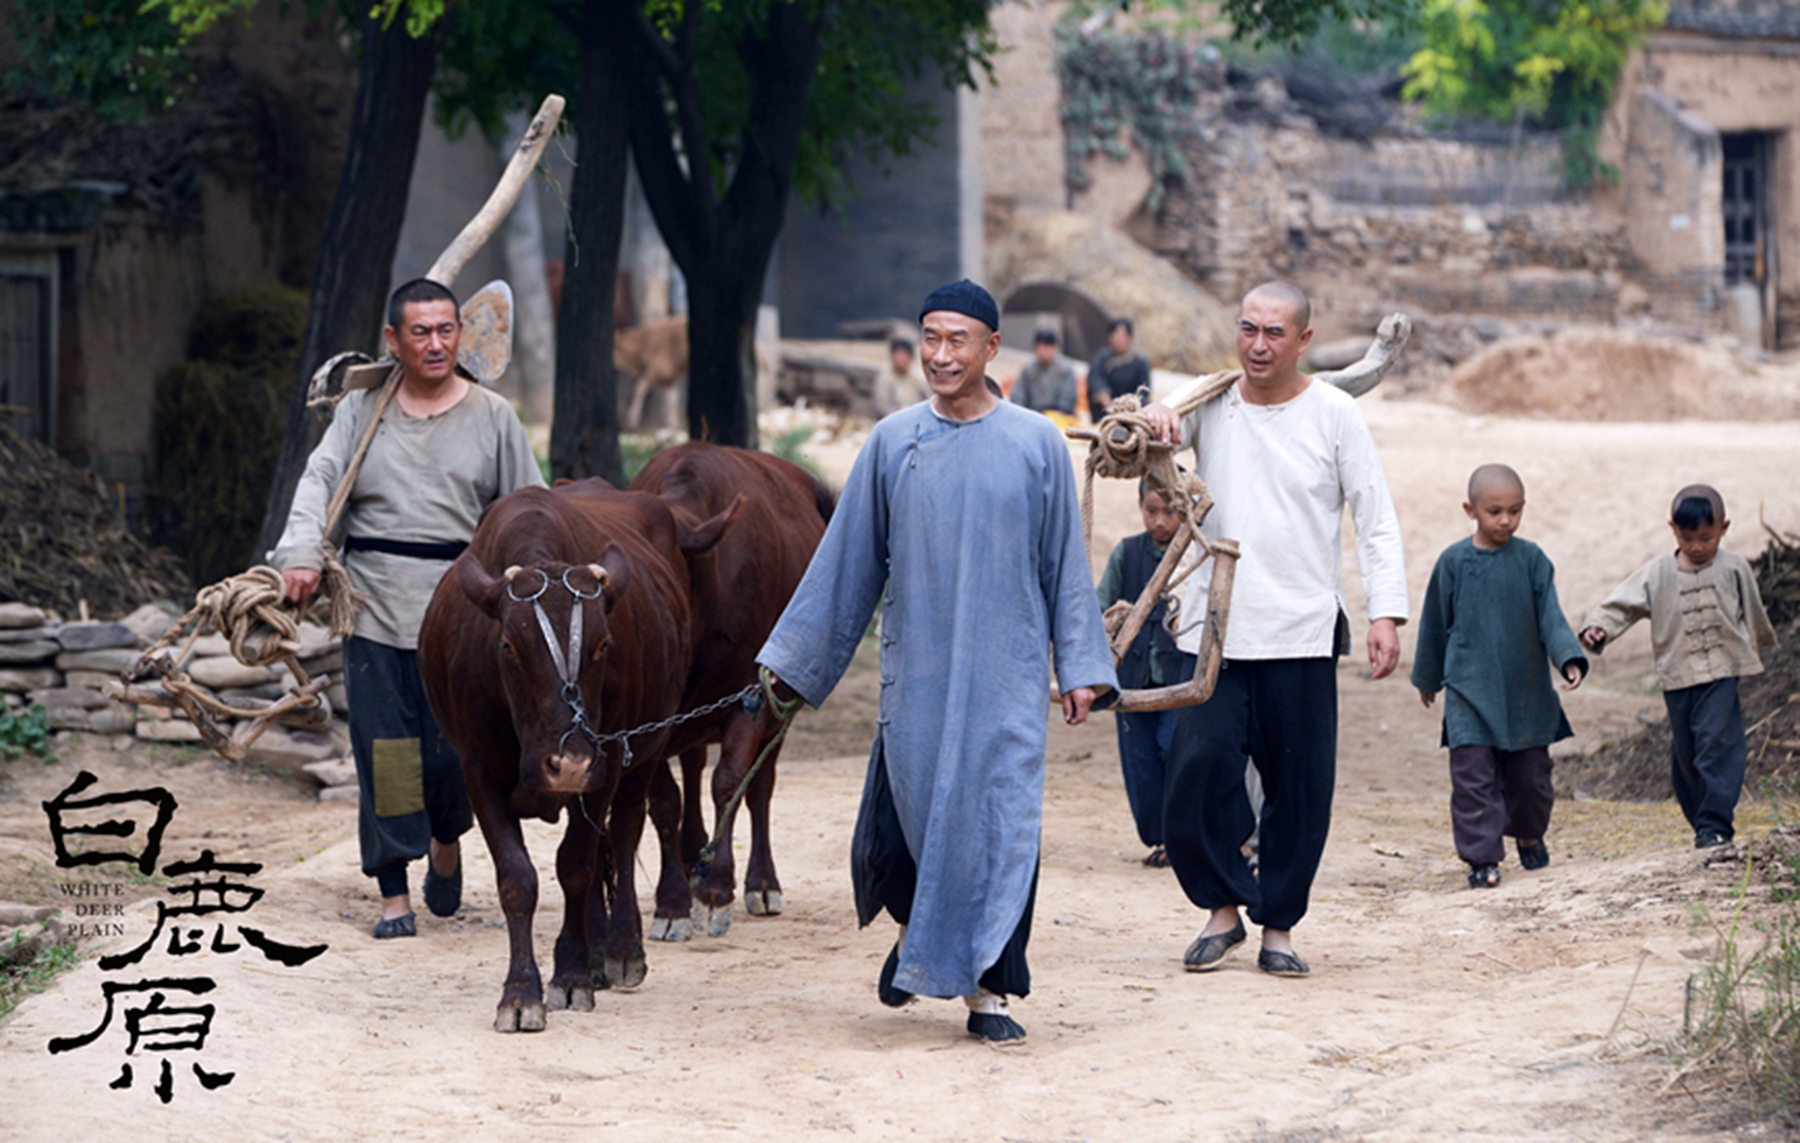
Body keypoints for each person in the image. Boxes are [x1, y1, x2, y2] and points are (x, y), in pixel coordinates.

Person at [758, 279, 1117, 1043]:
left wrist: (1080, 664)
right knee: (911, 824)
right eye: (931, 337)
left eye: (959, 340)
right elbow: (847, 561)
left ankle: (989, 993)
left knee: (998, 826)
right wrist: (794, 662)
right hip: (917, 675)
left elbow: (1065, 564)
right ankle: (913, 943)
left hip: (1006, 676)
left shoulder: (1037, 442)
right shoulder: (893, 441)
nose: (941, 354)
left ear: (992, 349)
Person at [1139, 280, 1407, 978]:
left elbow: (1374, 518)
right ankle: (1221, 909)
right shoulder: (1211, 404)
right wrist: (1158, 416)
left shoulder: (1336, 414)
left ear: (1305, 341)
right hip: (1212, 629)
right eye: (1248, 329)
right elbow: (1156, 434)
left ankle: (1278, 925)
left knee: (1299, 785)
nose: (1258, 345)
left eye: (1275, 333)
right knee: (1196, 772)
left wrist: (1385, 612)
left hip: (1301, 627)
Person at [274, 278, 546, 939]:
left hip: (464, 612)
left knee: (454, 757)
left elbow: (531, 509)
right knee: (388, 753)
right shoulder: (362, 412)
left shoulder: (492, 416)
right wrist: (303, 551)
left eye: (446, 329)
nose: (435, 343)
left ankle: (446, 837)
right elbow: (318, 483)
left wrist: (535, 585)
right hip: (374, 603)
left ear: (463, 333)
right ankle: (395, 890)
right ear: (392, 340)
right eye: (419, 332)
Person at [1412, 464, 1587, 890]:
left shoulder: (1532, 560)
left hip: (1525, 690)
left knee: (1530, 779)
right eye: (1494, 511)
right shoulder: (1453, 563)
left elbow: (1552, 617)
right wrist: (1428, 677)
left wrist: (1568, 657)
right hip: (1469, 692)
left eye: (1515, 510)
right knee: (1473, 779)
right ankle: (1482, 859)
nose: (1505, 520)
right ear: (1470, 510)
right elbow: (1434, 621)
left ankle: (1529, 831)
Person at [1580, 485, 1778, 849]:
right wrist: (1599, 628)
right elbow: (1622, 603)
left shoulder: (1734, 566)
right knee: (1687, 751)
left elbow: (1754, 610)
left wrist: (1760, 650)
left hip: (1722, 670)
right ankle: (1701, 821)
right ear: (1673, 529)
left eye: (1707, 537)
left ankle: (1716, 822)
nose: (1698, 546)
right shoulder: (1657, 573)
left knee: (1716, 742)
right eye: (1688, 538)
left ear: (1724, 528)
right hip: (1677, 675)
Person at [1096, 478, 1197, 868]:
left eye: (1170, 512)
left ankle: (1179, 837)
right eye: (1151, 510)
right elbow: (1101, 606)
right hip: (1132, 677)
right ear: (1140, 506)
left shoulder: (1195, 555)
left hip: (1179, 677)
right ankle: (1157, 836)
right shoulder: (1127, 553)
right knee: (1139, 762)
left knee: (1175, 751)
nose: (1160, 521)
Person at [1009, 329, 1079, 425]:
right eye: (1042, 347)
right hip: (1031, 417)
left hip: (1059, 417)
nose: (1046, 351)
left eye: (1049, 347)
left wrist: (1052, 412)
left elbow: (1068, 400)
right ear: (1035, 348)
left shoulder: (1065, 369)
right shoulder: (1028, 370)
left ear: (1055, 348)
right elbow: (1017, 397)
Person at [1087, 317, 1150, 423]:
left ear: (1129, 337)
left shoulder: (1140, 362)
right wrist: (1107, 402)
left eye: (1123, 335)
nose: (1119, 339)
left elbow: (1144, 389)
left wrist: (1129, 406)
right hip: (1107, 406)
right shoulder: (1102, 357)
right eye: (1116, 335)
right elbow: (1095, 379)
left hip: (1131, 408)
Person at [873, 337, 928, 418]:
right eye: (897, 354)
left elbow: (930, 399)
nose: (899, 359)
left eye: (903, 355)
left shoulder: (919, 377)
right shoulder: (885, 377)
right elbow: (881, 404)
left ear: (910, 357)